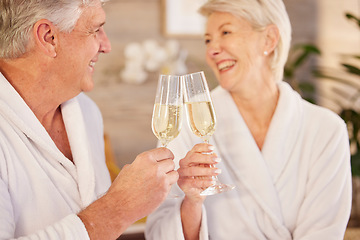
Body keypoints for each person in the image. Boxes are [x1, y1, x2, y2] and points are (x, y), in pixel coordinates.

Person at [145, 0, 352, 239]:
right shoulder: (187, 124)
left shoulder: (326, 130)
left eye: (226, 32)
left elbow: (323, 231)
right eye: (208, 39)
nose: (212, 50)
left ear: (269, 39)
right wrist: (192, 201)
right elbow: (160, 233)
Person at [0, 0, 178, 239]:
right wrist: (119, 208)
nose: (106, 46)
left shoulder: (86, 112)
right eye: (95, 30)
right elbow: (108, 218)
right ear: (48, 37)